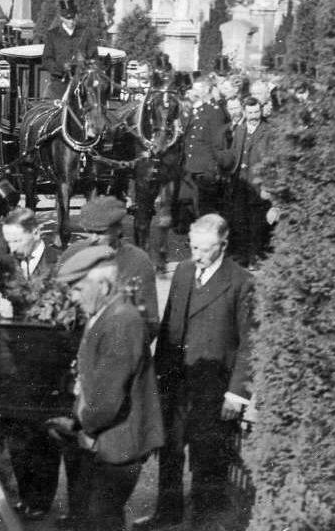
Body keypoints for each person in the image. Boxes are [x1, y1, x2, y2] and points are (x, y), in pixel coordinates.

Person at [137, 214, 253, 530]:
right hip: (176, 381)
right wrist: (157, 379)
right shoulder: (185, 271)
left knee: (206, 456)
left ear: (223, 245)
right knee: (170, 451)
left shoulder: (240, 282)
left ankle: (202, 521)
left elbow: (248, 343)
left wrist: (236, 393)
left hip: (214, 388)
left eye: (204, 249)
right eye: (193, 247)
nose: (196, 255)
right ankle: (167, 513)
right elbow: (170, 324)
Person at [50, 246, 164, 531]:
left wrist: (82, 427)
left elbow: (105, 400)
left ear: (102, 285)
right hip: (107, 438)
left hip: (117, 445)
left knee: (101, 520)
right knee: (94, 518)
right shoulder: (105, 314)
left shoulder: (120, 321)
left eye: (77, 289)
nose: (72, 298)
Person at [0, 208, 65, 521]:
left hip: (48, 363)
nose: (11, 248)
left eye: (16, 240)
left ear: (36, 233)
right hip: (15, 362)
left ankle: (41, 499)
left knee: (44, 435)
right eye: (7, 241)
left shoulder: (59, 261)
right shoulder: (7, 263)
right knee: (15, 432)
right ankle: (24, 494)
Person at [61, 196, 160, 335]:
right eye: (90, 232)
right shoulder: (73, 254)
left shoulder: (138, 261)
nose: (94, 238)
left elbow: (150, 321)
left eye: (100, 233)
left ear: (118, 229)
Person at [177, 78, 231, 230]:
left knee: (204, 207)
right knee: (190, 204)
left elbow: (217, 141)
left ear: (206, 90)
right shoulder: (196, 109)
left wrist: (215, 167)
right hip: (190, 165)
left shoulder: (214, 111)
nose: (193, 92)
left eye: (196, 89)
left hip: (205, 167)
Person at [227, 96, 273, 266]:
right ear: (245, 113)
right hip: (241, 182)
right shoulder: (240, 130)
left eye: (257, 112)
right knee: (241, 220)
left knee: (257, 222)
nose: (254, 115)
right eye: (251, 112)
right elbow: (234, 153)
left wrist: (267, 185)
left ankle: (255, 257)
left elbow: (271, 161)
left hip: (258, 183)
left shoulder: (268, 131)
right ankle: (244, 256)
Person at [41, 0, 98, 99]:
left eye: (73, 18)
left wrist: (85, 62)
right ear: (61, 18)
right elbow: (47, 60)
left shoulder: (86, 33)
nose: (71, 21)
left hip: (82, 85)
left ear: (76, 16)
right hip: (59, 85)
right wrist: (61, 68)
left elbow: (94, 56)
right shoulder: (53, 35)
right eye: (68, 18)